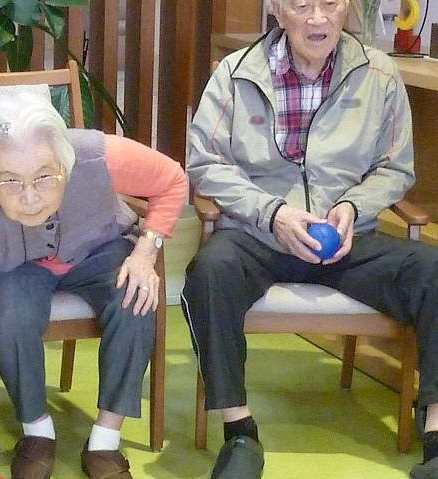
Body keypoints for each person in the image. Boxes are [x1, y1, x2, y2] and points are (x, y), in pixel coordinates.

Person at [183, 0, 438, 477]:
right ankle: (240, 434)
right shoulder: (236, 73)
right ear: (279, 12)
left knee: (433, 271)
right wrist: (273, 213)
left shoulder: (379, 74)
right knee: (209, 272)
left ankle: (437, 436)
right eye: (302, 5)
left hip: (347, 238)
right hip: (261, 235)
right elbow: (205, 162)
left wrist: (353, 206)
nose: (318, 18)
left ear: (347, 9)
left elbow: (395, 167)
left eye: (330, 4)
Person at [0, 92, 187, 479]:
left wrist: (146, 250)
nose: (30, 197)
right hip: (20, 269)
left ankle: (106, 439)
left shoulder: (96, 156)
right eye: (10, 181)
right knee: (11, 313)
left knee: (135, 296)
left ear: (65, 162)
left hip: (99, 250)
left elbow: (172, 180)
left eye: (44, 177)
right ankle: (37, 431)